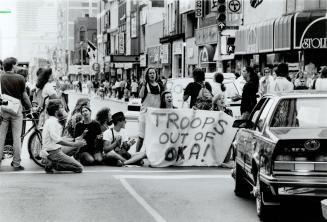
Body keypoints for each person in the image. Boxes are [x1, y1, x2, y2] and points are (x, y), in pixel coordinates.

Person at [0, 57, 32, 170]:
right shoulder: (20, 78)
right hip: (16, 109)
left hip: (3, 108)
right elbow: (24, 95)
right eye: (16, 64)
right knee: (17, 137)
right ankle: (16, 163)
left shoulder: (1, 77)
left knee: (1, 136)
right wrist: (30, 107)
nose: (17, 66)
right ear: (13, 66)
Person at [41, 99, 85, 173]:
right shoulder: (53, 122)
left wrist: (74, 140)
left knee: (75, 143)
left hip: (54, 149)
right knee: (79, 168)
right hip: (53, 152)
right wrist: (74, 144)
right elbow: (57, 140)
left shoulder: (51, 120)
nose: (63, 109)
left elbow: (57, 138)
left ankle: (55, 162)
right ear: (56, 111)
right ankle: (54, 164)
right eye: (61, 108)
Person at [135, 68, 164, 152]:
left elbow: (164, 97)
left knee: (153, 136)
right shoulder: (145, 85)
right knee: (141, 137)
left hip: (156, 115)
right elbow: (140, 96)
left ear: (156, 74)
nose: (152, 75)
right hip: (145, 115)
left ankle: (149, 154)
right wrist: (143, 85)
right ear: (147, 75)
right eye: (150, 73)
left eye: (153, 73)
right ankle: (136, 154)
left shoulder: (160, 85)